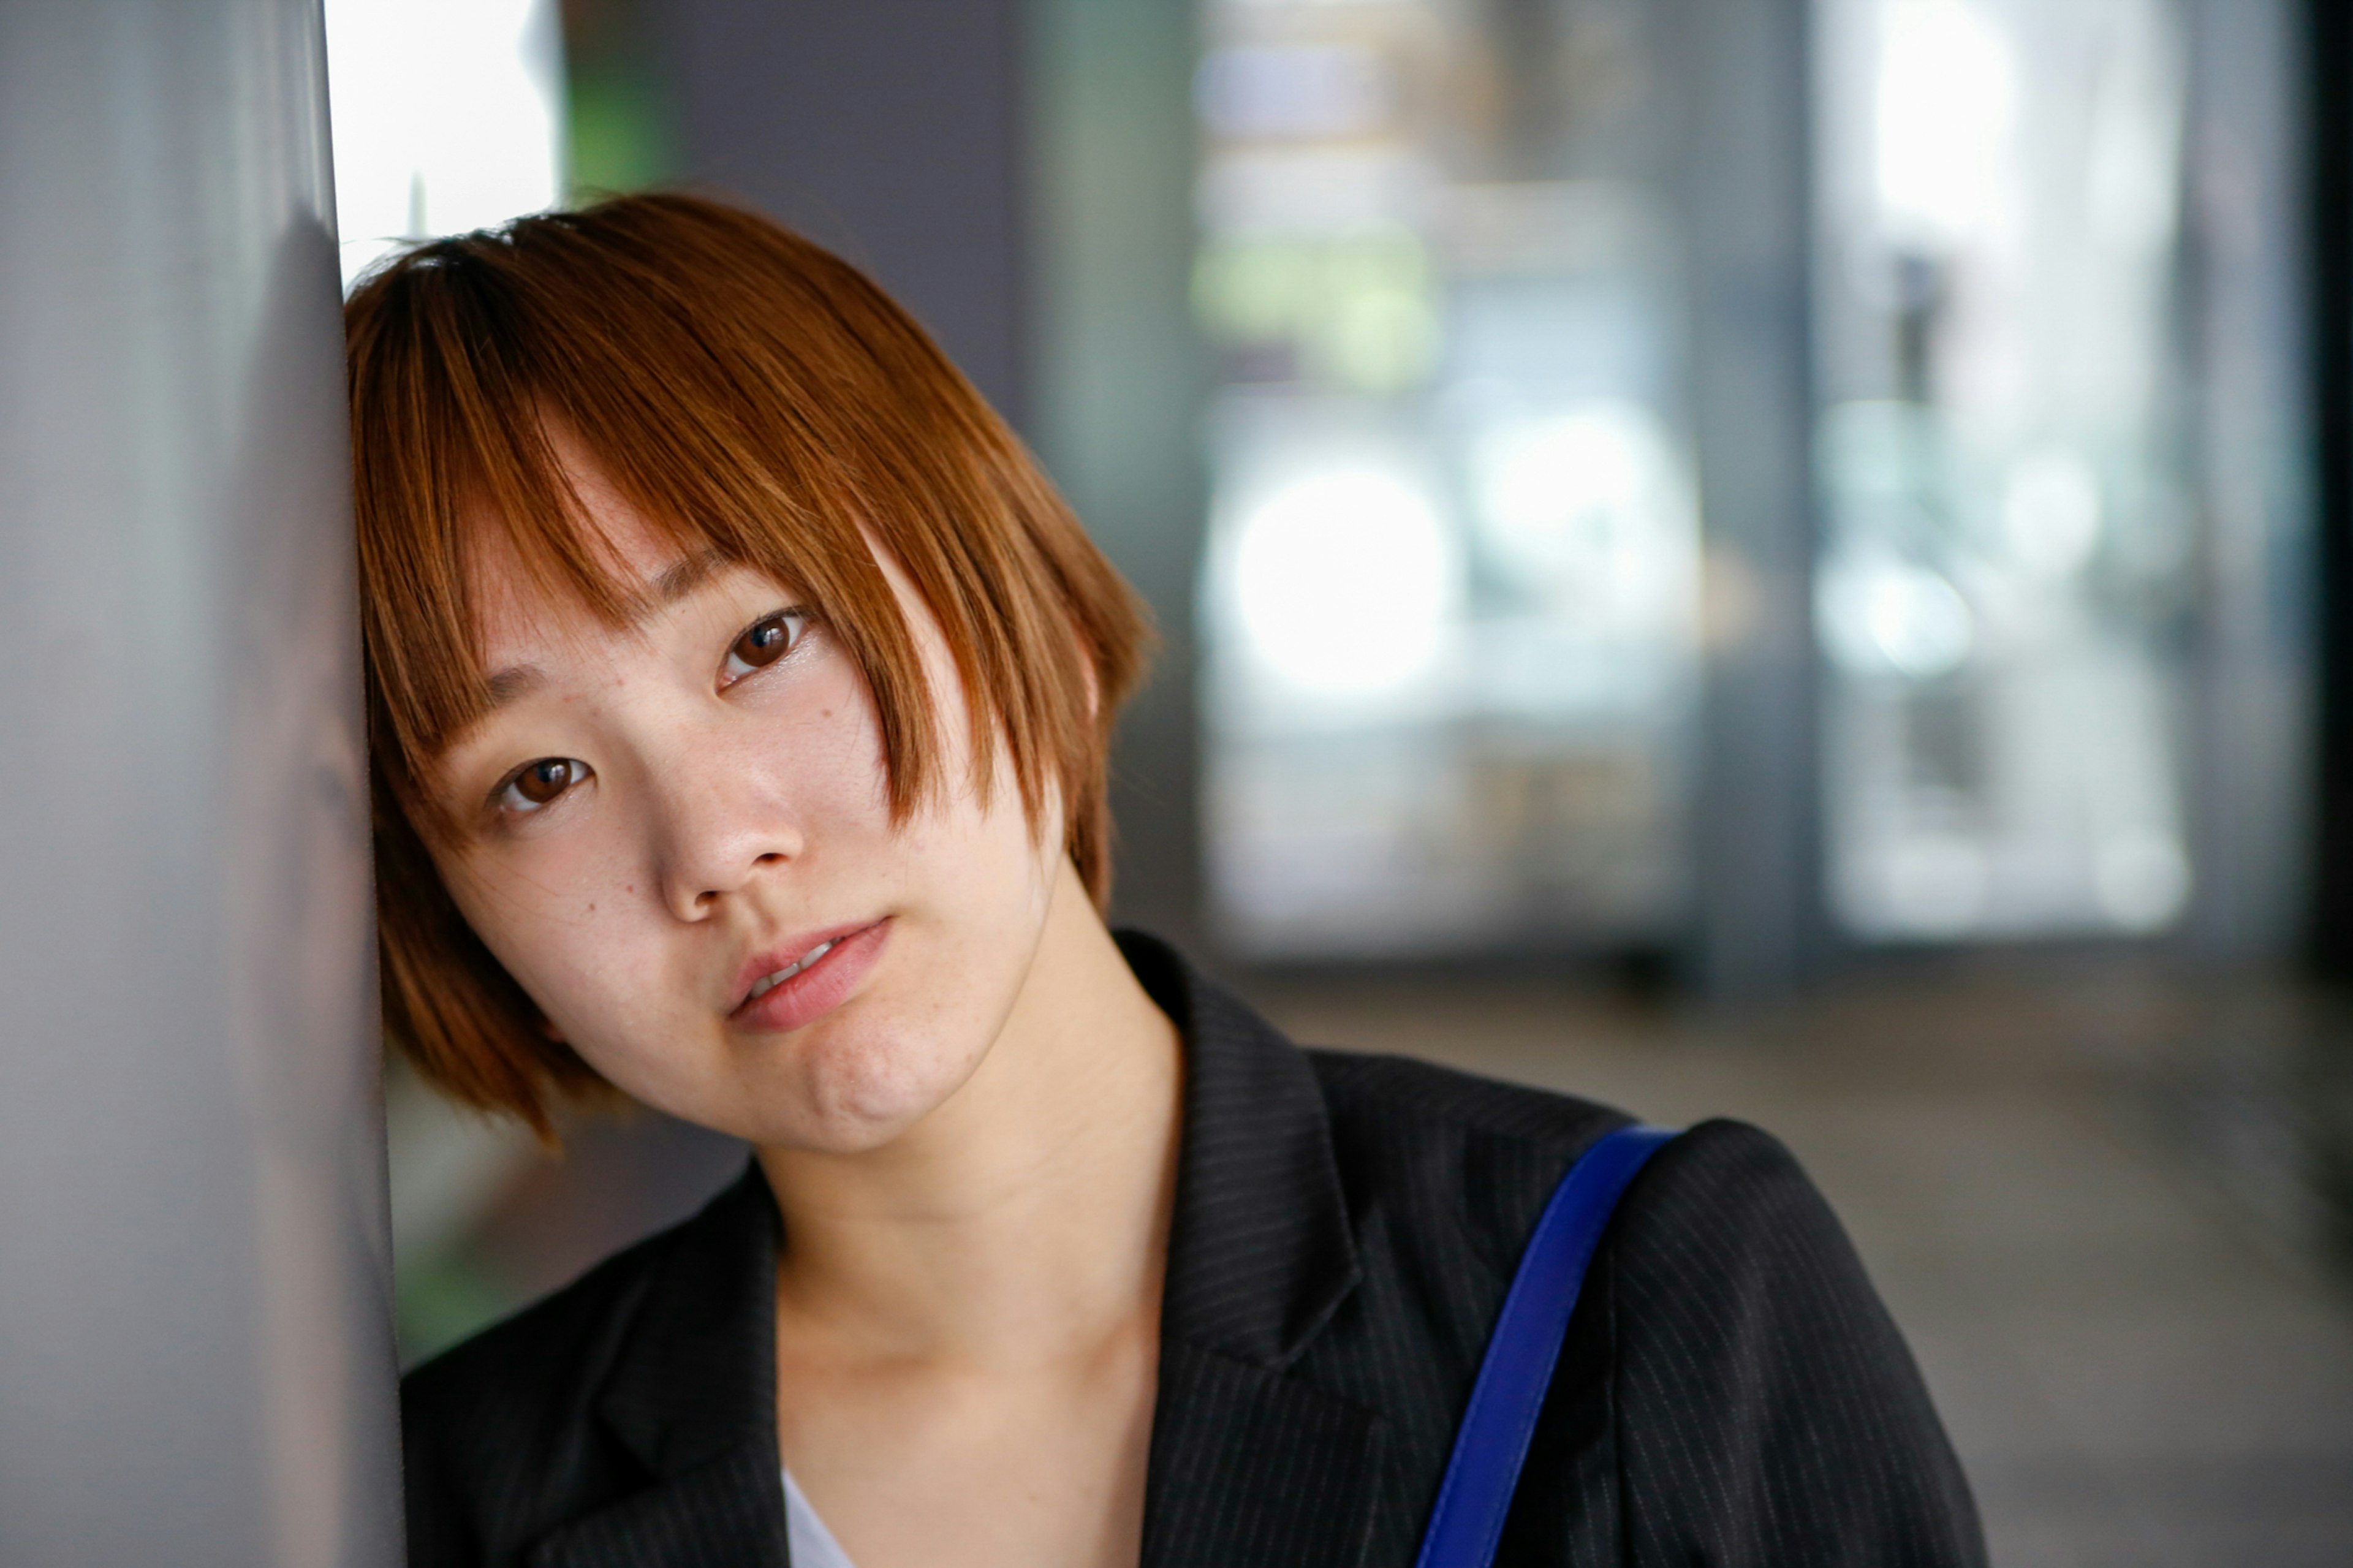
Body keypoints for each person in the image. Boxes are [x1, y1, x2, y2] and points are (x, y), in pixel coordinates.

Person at [355, 193, 1985, 1568]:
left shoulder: (1642, 1299)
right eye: (538, 780)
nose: (716, 848)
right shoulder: (462, 1499)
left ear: (1026, 602)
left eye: (764, 642)